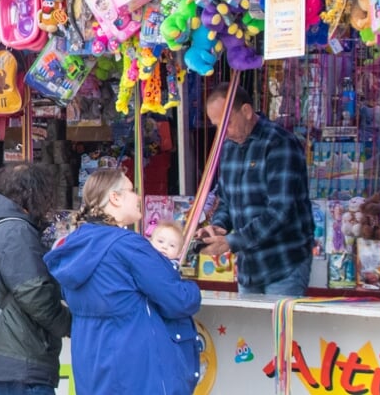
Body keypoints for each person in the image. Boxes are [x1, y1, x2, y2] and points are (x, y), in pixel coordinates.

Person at [46, 169, 202, 395]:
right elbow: (177, 299)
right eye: (131, 191)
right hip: (138, 371)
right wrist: (193, 289)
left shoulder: (72, 246)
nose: (138, 197)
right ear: (115, 198)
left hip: (91, 366)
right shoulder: (129, 245)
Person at [0, 163, 72, 395]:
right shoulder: (15, 231)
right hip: (19, 358)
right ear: (33, 194)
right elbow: (34, 294)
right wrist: (70, 324)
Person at [196, 82, 314, 296]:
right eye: (217, 127)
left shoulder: (279, 143)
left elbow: (280, 212)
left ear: (247, 111)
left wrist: (231, 242)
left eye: (227, 123)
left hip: (283, 263)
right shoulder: (229, 147)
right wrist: (218, 227)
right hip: (249, 267)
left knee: (279, 329)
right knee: (249, 329)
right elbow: (226, 200)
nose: (223, 133)